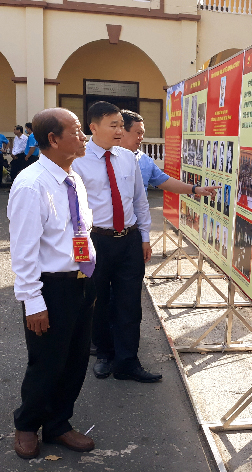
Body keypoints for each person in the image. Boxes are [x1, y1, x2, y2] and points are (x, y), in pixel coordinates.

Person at [73, 102, 218, 383]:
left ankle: (128, 361)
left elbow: (140, 201)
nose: (119, 130)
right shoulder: (77, 161)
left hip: (127, 241)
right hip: (96, 241)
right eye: (112, 125)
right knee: (98, 301)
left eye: (120, 125)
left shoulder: (128, 159)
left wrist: (143, 238)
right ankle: (104, 355)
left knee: (129, 304)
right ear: (93, 128)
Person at [7, 108, 96, 459]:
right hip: (50, 288)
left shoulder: (72, 177)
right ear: (54, 140)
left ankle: (58, 423)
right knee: (47, 362)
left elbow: (80, 230)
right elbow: (24, 250)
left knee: (75, 360)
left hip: (81, 281)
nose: (83, 137)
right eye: (76, 131)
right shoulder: (31, 185)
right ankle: (27, 424)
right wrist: (33, 301)